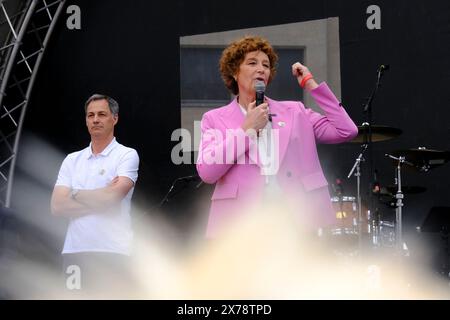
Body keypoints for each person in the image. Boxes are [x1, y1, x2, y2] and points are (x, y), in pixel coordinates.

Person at [196, 36, 358, 238]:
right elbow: (207, 172)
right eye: (252, 63)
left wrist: (310, 84)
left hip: (293, 220)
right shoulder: (214, 119)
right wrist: (246, 130)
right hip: (239, 226)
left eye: (266, 65)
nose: (261, 69)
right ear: (234, 72)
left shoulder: (295, 111)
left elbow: (346, 130)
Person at [51, 94, 139, 297]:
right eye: (90, 115)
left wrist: (73, 194)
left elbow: (113, 198)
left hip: (114, 251)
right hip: (76, 251)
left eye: (101, 114)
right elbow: (57, 206)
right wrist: (102, 199)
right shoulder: (72, 160)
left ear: (114, 118)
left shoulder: (126, 154)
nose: (95, 119)